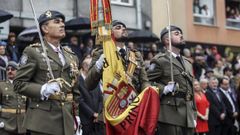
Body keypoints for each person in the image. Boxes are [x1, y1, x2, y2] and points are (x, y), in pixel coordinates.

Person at [13, 10, 80, 135]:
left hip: (67, 119)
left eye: (62, 22)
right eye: (57, 22)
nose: (62, 25)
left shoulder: (71, 56)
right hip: (43, 122)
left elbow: (75, 91)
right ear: (45, 28)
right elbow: (18, 84)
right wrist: (43, 89)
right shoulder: (34, 52)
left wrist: (76, 116)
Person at [147, 25, 196, 135]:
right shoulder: (160, 60)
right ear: (167, 40)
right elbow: (146, 82)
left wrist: (194, 114)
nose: (181, 35)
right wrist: (164, 89)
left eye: (181, 33)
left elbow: (191, 90)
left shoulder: (187, 62)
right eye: (177, 34)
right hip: (170, 115)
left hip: (188, 115)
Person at [85, 20, 149, 93]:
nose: (123, 29)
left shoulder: (136, 55)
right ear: (110, 33)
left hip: (135, 100)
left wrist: (147, 92)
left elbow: (144, 81)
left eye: (124, 28)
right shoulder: (101, 54)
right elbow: (88, 84)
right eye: (118, 27)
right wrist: (99, 65)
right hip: (113, 101)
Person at [78, 57, 104, 135]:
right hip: (85, 120)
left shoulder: (94, 79)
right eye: (91, 65)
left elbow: (100, 98)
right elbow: (80, 101)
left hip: (97, 121)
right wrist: (92, 114)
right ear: (85, 67)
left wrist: (98, 114)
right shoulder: (78, 80)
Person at [0, 61, 27, 135]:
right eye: (8, 69)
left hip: (22, 124)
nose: (10, 71)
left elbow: (28, 106)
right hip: (6, 124)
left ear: (18, 71)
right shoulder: (1, 85)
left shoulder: (24, 86)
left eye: (12, 69)